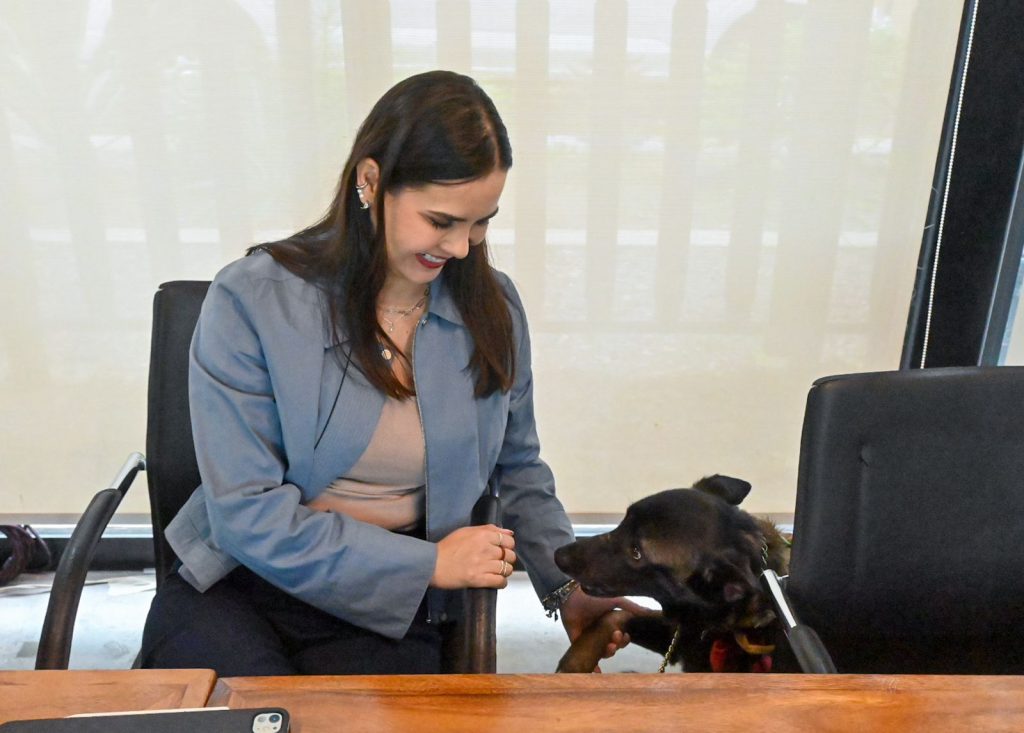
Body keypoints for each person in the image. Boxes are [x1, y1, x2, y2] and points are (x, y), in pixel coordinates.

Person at [140, 70, 637, 676]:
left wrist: (570, 586)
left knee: (362, 716)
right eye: (441, 221)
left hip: (391, 606)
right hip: (239, 583)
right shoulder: (252, 300)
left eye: (481, 222)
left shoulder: (493, 308)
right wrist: (430, 564)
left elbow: (518, 467)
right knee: (241, 714)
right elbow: (245, 514)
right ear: (370, 181)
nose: (461, 247)